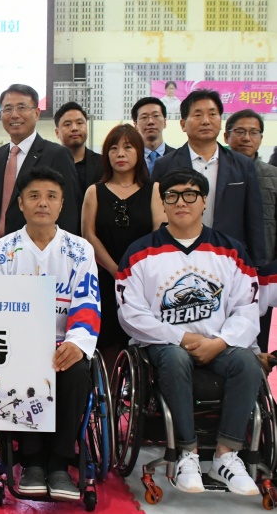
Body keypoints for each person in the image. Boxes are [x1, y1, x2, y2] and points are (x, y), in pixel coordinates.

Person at [117, 168, 262, 496]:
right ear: (163, 204)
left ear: (203, 201)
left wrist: (221, 342)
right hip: (165, 346)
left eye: (190, 194)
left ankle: (227, 455)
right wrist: (181, 337)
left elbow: (247, 308)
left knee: (247, 364)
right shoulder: (140, 253)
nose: (181, 202)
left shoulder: (231, 251)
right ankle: (188, 454)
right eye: (172, 196)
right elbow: (132, 315)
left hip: (220, 345)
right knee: (175, 358)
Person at [0, 166, 100, 499]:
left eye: (51, 196)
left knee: (77, 372)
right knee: (19, 369)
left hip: (66, 342)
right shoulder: (2, 251)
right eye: (34, 196)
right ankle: (33, 461)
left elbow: (87, 301)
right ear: (20, 203)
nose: (42, 203)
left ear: (62, 204)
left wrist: (77, 344)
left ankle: (60, 463)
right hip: (17, 346)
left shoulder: (80, 250)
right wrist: (25, 346)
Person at [82, 124, 164, 371]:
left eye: (128, 147)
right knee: (107, 341)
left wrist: (133, 275)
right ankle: (108, 400)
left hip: (144, 280)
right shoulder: (94, 191)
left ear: (139, 152)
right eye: (114, 148)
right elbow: (89, 236)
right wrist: (117, 272)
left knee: (143, 343)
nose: (120, 153)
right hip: (105, 279)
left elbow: (158, 235)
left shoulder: (154, 190)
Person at [151, 89, 265, 267]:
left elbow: (254, 218)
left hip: (230, 258)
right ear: (183, 124)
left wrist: (257, 264)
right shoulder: (165, 165)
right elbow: (157, 217)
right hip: (177, 258)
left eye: (212, 114)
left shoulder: (242, 165)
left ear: (220, 121)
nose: (206, 121)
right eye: (197, 114)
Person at [0, 84, 81, 244]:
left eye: (21, 107)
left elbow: (69, 211)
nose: (14, 115)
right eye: (7, 109)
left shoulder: (57, 155)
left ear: (36, 113)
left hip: (40, 250)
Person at [223, 109, 276, 353]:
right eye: (240, 132)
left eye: (253, 132)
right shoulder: (217, 170)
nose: (246, 138)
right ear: (226, 136)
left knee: (258, 337)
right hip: (223, 266)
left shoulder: (272, 176)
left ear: (261, 139)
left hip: (262, 271)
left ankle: (259, 386)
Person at [54, 101, 103, 199]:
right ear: (57, 132)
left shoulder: (103, 164)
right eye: (67, 124)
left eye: (80, 123)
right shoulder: (49, 164)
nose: (74, 128)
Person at [131, 97, 176, 174]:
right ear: (135, 125)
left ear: (165, 122)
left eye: (156, 116)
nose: (150, 122)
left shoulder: (177, 157)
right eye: (144, 117)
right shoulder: (129, 158)